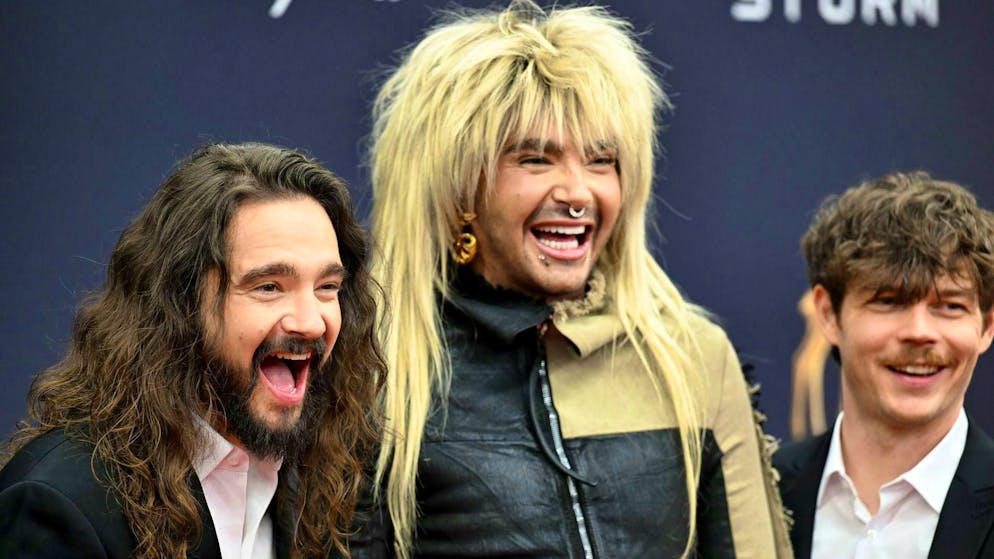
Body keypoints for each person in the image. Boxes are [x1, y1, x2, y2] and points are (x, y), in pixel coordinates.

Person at [350, 1, 792, 557]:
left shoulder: (691, 358)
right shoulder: (380, 366)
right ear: (457, 187)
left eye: (602, 161)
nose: (578, 192)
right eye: (536, 159)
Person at [0, 143, 386, 559]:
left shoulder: (304, 487)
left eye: (327, 288)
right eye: (268, 287)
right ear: (181, 303)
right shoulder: (59, 507)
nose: (311, 321)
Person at [774, 171, 994, 559]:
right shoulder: (761, 493)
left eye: (950, 306)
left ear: (987, 326)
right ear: (828, 314)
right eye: (889, 301)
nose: (920, 332)